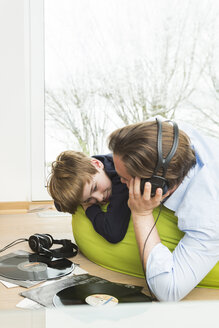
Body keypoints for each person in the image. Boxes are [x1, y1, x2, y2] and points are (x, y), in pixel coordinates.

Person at [108, 117, 219, 301]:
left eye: (126, 180)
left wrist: (141, 214)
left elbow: (168, 291)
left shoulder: (208, 217)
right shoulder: (171, 135)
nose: (120, 183)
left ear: (156, 185)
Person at [47, 150, 131, 243]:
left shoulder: (121, 179)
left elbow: (113, 233)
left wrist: (89, 208)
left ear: (97, 164)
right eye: (88, 199)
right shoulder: (91, 168)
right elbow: (59, 204)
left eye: (94, 188)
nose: (100, 198)